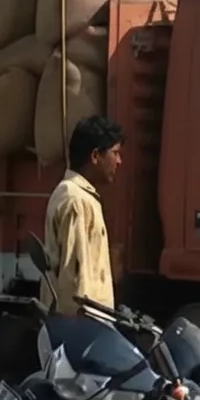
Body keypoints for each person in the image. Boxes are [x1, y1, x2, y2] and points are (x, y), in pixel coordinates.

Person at [42, 116, 124, 314]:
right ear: (95, 156)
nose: (119, 161)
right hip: (82, 328)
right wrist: (81, 331)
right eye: (115, 153)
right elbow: (76, 278)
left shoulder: (75, 194)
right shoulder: (77, 200)